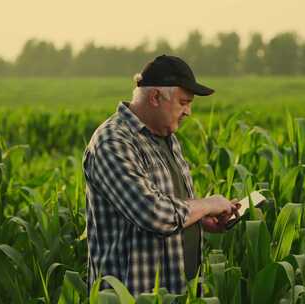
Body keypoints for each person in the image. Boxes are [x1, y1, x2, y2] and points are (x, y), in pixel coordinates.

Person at [82, 55, 239, 296]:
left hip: (178, 292)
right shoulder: (113, 142)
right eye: (183, 102)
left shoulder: (167, 137)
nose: (188, 112)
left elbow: (172, 206)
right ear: (155, 97)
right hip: (134, 296)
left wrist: (200, 220)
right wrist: (207, 205)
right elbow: (153, 214)